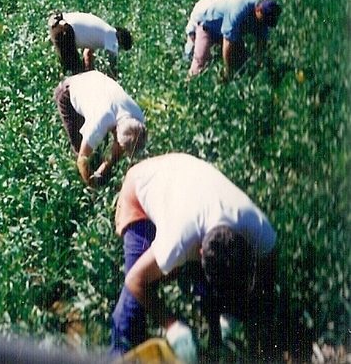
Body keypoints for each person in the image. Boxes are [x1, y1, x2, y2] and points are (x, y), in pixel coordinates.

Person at [110, 153, 277, 361]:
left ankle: (215, 344)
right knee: (134, 303)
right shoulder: (178, 239)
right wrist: (172, 326)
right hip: (142, 186)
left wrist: (235, 314)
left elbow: (267, 270)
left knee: (213, 290)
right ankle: (118, 354)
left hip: (185, 178)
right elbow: (135, 281)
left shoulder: (259, 230)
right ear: (199, 252)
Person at [53, 70, 146, 187]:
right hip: (69, 91)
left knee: (100, 150)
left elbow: (127, 140)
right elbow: (82, 159)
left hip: (95, 83)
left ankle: (100, 173)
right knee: (80, 147)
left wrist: (103, 169)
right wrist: (94, 186)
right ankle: (84, 185)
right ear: (116, 132)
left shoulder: (138, 117)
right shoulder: (100, 121)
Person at [184, 0, 281, 78]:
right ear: (258, 10)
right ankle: (187, 88)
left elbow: (261, 44)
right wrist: (228, 71)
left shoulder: (263, 20)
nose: (266, 23)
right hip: (206, 24)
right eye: (265, 19)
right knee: (199, 62)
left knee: (241, 63)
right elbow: (228, 44)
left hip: (223, 29)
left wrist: (258, 65)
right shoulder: (239, 10)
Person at [48, 11, 133, 77]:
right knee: (75, 76)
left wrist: (89, 73)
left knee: (78, 72)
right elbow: (112, 69)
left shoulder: (103, 31)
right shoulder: (113, 38)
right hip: (64, 30)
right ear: (121, 42)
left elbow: (87, 54)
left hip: (58, 21)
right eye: (120, 49)